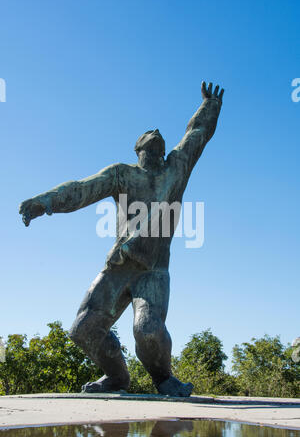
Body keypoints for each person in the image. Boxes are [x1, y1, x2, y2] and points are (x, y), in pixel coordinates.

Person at [19, 82, 224, 396]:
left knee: (148, 330)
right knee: (83, 330)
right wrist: (45, 202)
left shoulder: (175, 170)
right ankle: (117, 377)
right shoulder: (122, 174)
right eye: (149, 140)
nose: (156, 136)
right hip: (118, 267)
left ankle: (164, 379)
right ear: (138, 150)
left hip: (153, 271)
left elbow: (195, 135)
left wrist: (209, 106)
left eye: (160, 142)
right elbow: (81, 189)